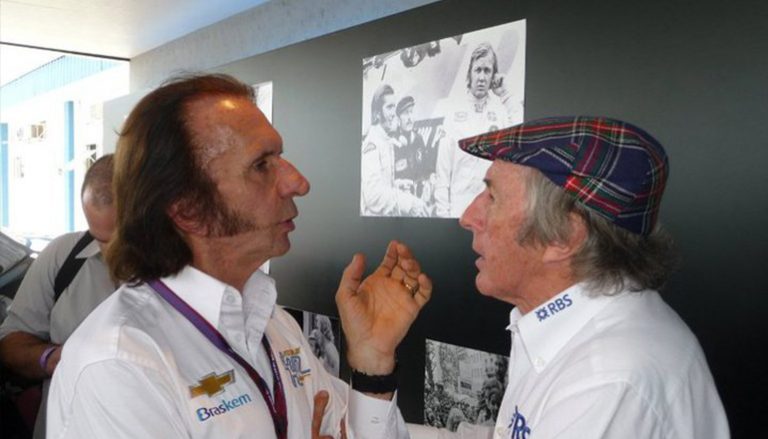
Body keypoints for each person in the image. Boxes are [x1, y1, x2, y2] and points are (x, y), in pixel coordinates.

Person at [46, 74, 432, 439]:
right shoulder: (118, 365)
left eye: (280, 157)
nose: (298, 182)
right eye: (261, 165)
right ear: (187, 209)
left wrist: (372, 365)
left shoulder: (273, 323)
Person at [426, 116, 728, 438]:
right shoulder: (577, 333)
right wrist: (385, 368)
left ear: (563, 237)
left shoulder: (605, 381)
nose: (468, 218)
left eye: (492, 197)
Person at [0, 154, 116, 439]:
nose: (113, 254)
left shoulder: (196, 268)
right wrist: (54, 358)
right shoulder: (65, 255)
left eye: (126, 239)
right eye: (101, 238)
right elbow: (11, 343)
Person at [433, 42, 523, 218]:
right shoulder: (452, 113)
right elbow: (442, 174)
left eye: (487, 71)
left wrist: (505, 94)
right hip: (460, 210)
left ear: (493, 76)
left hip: (492, 210)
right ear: (470, 74)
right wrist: (443, 216)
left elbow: (522, 134)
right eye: (478, 70)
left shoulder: (500, 111)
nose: (481, 77)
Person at [361, 84, 429, 216]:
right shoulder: (372, 145)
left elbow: (382, 184)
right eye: (389, 107)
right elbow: (373, 196)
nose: (394, 114)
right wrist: (409, 204)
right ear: (377, 113)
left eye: (394, 107)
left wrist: (397, 184)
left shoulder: (385, 140)